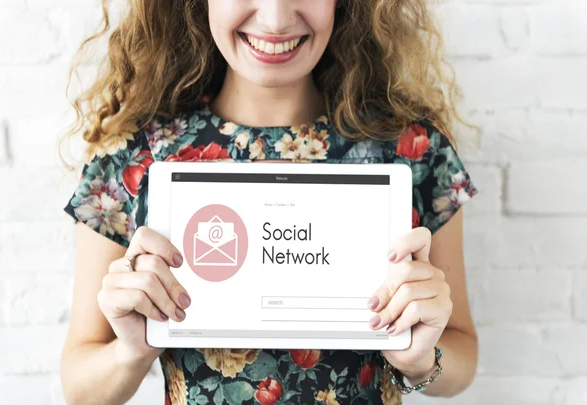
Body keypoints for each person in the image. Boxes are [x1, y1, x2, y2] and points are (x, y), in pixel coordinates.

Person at [58, 1, 479, 404]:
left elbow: (463, 356)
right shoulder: (133, 156)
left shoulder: (416, 150)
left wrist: (420, 359)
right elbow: (80, 388)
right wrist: (131, 350)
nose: (276, 19)